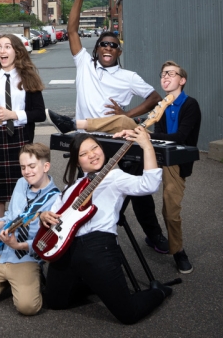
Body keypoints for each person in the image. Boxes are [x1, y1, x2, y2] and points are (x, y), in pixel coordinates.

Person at [50, 0, 168, 254]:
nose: (108, 48)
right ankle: (81, 241)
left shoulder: (128, 77)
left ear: (119, 50)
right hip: (88, 142)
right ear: (97, 48)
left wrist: (128, 113)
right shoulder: (84, 65)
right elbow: (73, 30)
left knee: (137, 190)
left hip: (116, 137)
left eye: (113, 45)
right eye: (104, 44)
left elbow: (154, 98)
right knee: (85, 195)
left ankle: (154, 235)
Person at [40, 129, 172, 325]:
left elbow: (150, 184)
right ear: (77, 162)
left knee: (128, 314)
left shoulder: (115, 177)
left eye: (95, 148)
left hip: (97, 247)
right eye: (84, 154)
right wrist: (44, 215)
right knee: (55, 302)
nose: (92, 154)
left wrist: (146, 146)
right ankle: (94, 283)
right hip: (65, 249)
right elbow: (55, 212)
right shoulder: (71, 187)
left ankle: (158, 291)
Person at [114, 61, 201, 274]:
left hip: (176, 160)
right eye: (163, 74)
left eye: (171, 74)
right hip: (155, 154)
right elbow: (156, 135)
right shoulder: (161, 104)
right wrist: (139, 133)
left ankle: (178, 250)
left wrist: (148, 135)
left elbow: (180, 137)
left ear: (182, 80)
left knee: (170, 211)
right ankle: (77, 125)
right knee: (130, 189)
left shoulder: (190, 105)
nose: (165, 77)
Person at [0, 143, 60, 316]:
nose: (27, 172)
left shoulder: (56, 199)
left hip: (25, 257)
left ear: (46, 166)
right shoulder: (20, 183)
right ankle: (9, 282)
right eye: (23, 167)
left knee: (28, 308)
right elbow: (10, 216)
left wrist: (18, 245)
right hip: (1, 252)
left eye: (32, 166)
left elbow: (48, 241)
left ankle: (23, 279)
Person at [0, 34, 46, 224]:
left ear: (17, 51)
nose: (2, 51)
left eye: (8, 47)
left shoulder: (28, 79)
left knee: (21, 192)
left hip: (20, 139)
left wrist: (13, 115)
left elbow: (39, 114)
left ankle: (19, 238)